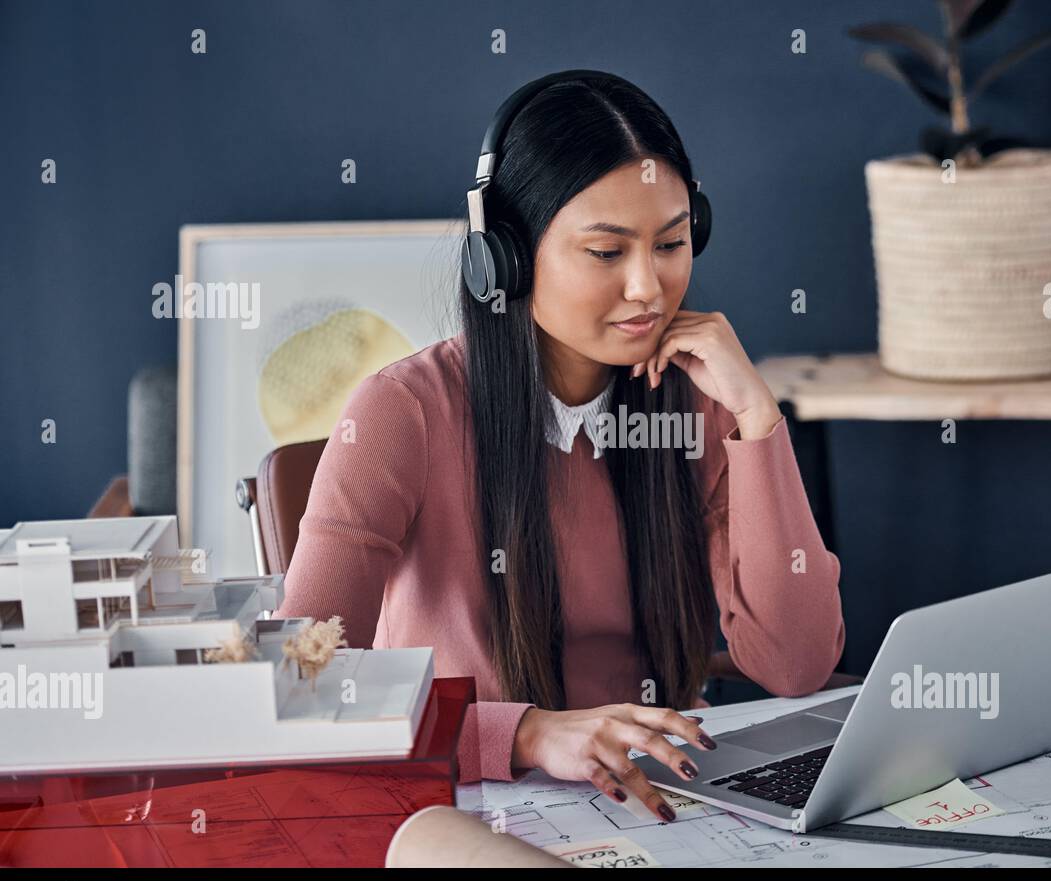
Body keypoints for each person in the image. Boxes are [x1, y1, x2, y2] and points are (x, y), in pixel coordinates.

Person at [274, 71, 844, 823]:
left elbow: (797, 664)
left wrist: (756, 419)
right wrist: (527, 734)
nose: (649, 286)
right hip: (470, 809)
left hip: (668, 803)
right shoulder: (400, 412)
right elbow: (301, 687)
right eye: (607, 252)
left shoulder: (698, 403)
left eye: (671, 243)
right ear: (506, 257)